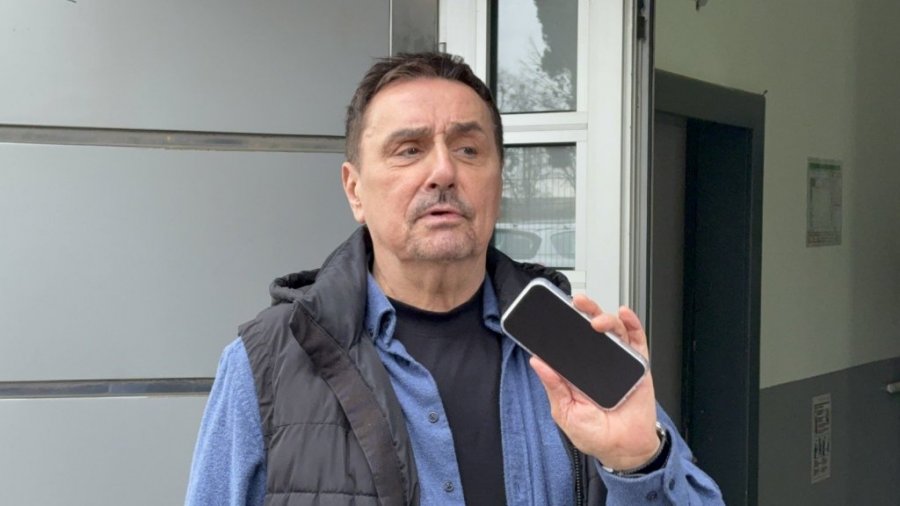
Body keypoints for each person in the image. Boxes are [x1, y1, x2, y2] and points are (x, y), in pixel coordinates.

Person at [185, 52, 724, 506]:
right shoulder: (267, 363)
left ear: (499, 182)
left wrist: (638, 463)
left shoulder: (569, 348)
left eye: (468, 149)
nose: (443, 171)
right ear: (355, 190)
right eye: (409, 150)